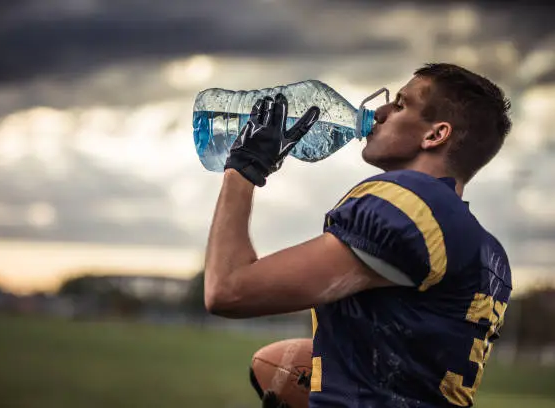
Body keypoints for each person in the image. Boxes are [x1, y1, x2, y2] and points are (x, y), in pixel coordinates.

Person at [203, 63, 513, 408]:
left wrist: (243, 170)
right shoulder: (488, 251)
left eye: (399, 105)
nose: (378, 112)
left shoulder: (408, 201)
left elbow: (227, 289)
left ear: (435, 135)